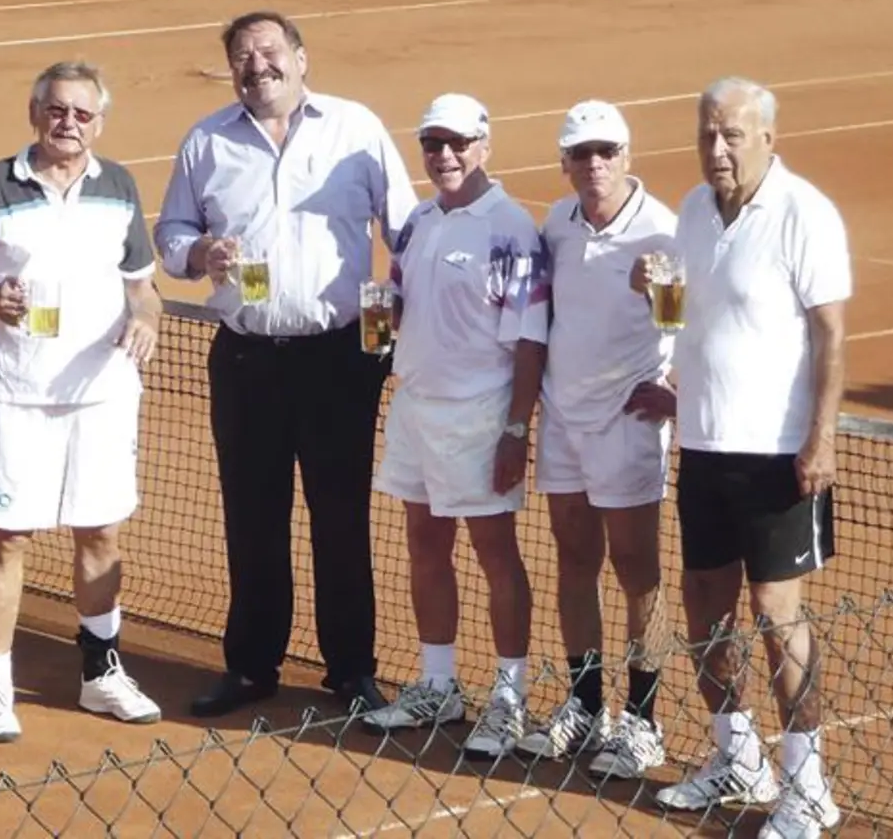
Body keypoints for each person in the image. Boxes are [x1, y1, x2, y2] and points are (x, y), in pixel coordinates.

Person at [154, 11, 418, 718]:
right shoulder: (207, 142)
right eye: (242, 57)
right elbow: (171, 231)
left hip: (340, 359)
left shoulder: (355, 129)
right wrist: (196, 254)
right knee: (252, 515)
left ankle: (352, 671)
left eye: (270, 52)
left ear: (302, 59)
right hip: (246, 360)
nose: (257, 65)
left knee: (341, 516)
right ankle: (251, 666)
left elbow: (408, 229)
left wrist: (390, 317)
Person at [638, 77, 850, 839]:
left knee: (774, 614)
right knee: (704, 609)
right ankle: (738, 757)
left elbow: (829, 334)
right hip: (702, 443)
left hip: (778, 455)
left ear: (767, 137)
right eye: (706, 135)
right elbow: (697, 316)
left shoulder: (805, 213)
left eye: (731, 135)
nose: (717, 149)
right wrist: (677, 380)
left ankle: (806, 786)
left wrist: (819, 440)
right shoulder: (693, 212)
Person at [0, 60, 163, 743]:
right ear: (35, 113)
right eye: (57, 111)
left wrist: (146, 316)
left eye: (82, 114)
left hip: (104, 393)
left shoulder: (118, 186)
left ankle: (100, 675)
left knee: (100, 533)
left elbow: (141, 284)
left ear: (100, 122)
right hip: (21, 394)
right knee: (10, 538)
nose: (69, 124)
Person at [359, 94, 547, 760]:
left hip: (480, 412)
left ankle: (509, 697)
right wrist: (380, 319)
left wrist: (516, 431)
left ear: (483, 145)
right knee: (423, 543)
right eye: (432, 144)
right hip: (416, 405)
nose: (443, 155)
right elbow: (397, 298)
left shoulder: (511, 228)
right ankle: (439, 683)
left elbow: (529, 341)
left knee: (496, 552)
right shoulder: (416, 223)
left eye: (456, 142)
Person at [516, 100, 678, 782]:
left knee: (638, 569)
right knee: (575, 560)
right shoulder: (558, 223)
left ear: (627, 156)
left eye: (606, 151)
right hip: (564, 419)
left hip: (628, 421)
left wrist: (659, 299)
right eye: (581, 154)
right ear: (565, 164)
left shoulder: (663, 232)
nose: (595, 165)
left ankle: (643, 718)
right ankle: (586, 707)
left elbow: (688, 318)